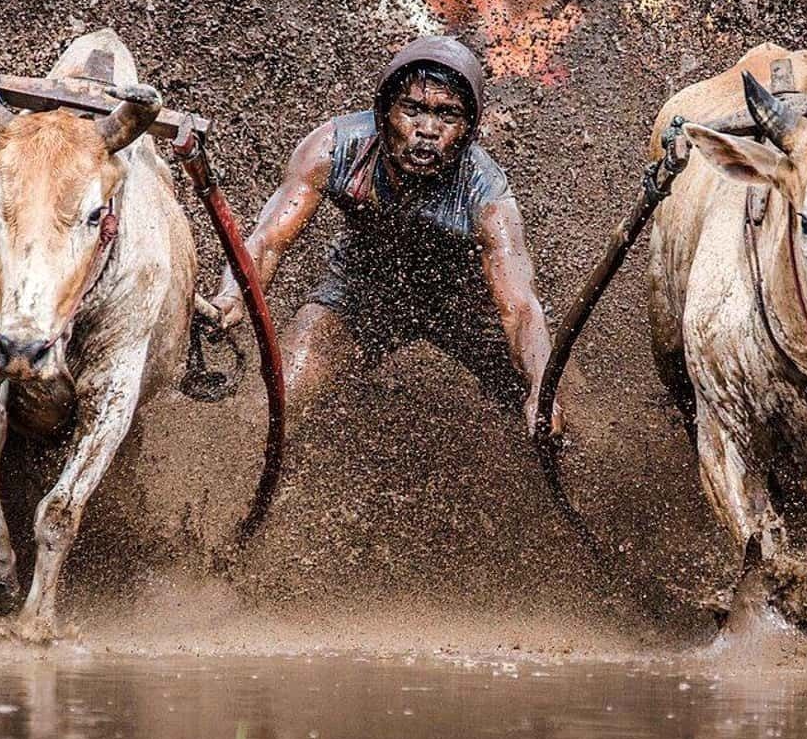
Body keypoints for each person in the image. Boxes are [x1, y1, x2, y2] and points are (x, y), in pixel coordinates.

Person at [209, 35, 562, 438]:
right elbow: (268, 240)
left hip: (465, 304)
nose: (427, 130)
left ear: (468, 129)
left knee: (550, 410)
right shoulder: (334, 148)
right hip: (361, 290)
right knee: (277, 399)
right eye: (412, 109)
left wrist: (541, 389)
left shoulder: (487, 193)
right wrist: (233, 296)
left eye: (447, 115)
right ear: (384, 111)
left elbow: (519, 308)